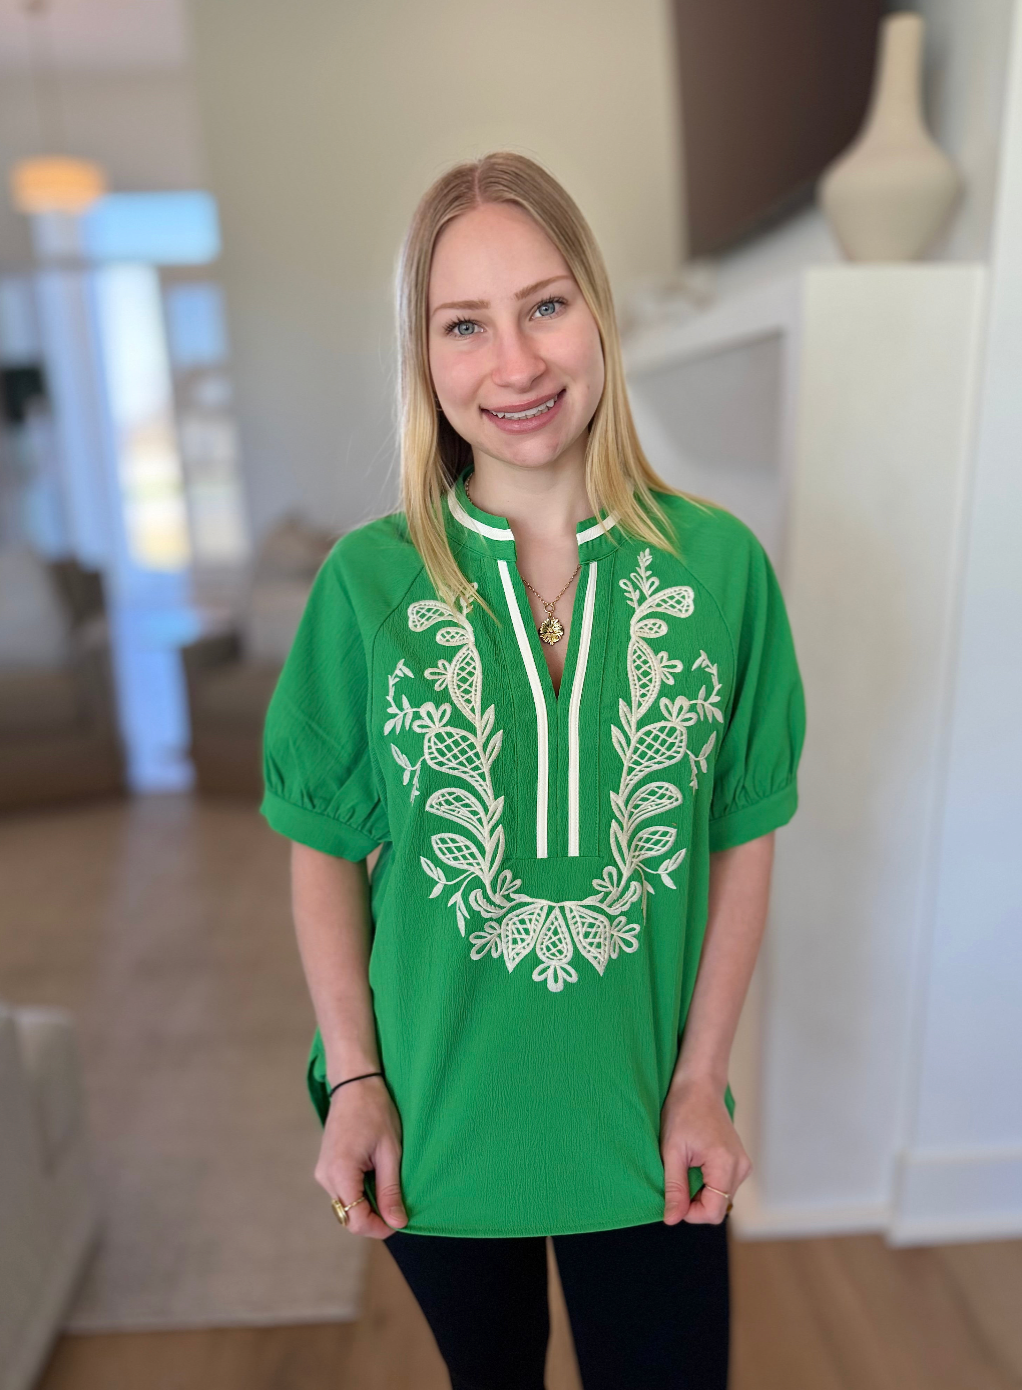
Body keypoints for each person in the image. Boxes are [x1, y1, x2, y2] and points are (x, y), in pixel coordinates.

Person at [261, 151, 805, 1389]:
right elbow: (323, 846)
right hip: (435, 1124)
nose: (514, 364)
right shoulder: (365, 583)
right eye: (464, 324)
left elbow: (741, 832)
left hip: (646, 1126)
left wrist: (702, 1081)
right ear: (422, 357)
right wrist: (356, 1083)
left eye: (544, 305)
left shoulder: (720, 570)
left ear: (595, 312)